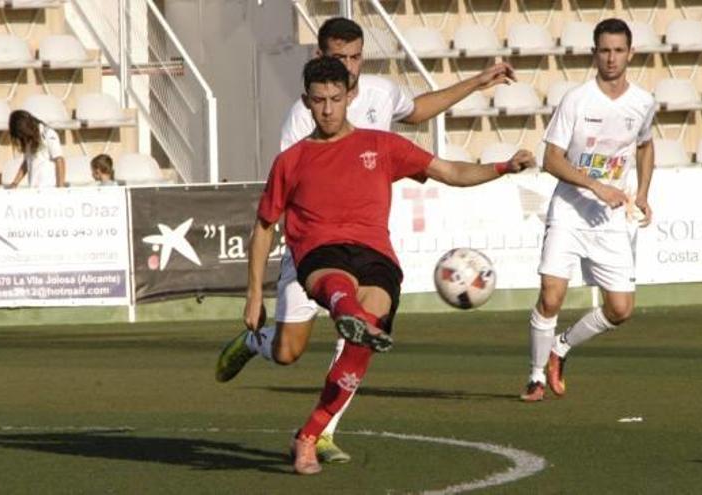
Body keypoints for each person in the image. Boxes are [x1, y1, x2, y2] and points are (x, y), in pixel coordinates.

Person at [216, 16, 517, 464]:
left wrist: (501, 164)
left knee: (362, 330)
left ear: (351, 92)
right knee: (288, 350)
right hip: (312, 246)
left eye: (355, 61)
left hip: (370, 250)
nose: (330, 103)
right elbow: (270, 220)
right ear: (318, 68)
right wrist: (254, 293)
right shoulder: (297, 135)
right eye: (339, 61)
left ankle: (316, 433)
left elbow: (444, 160)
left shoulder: (382, 124)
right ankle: (268, 340)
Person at [520, 18, 656, 402]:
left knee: (620, 309)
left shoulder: (643, 102)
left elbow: (645, 146)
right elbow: (551, 159)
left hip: (612, 217)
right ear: (593, 53)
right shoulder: (576, 100)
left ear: (630, 53)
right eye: (604, 50)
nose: (611, 58)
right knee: (551, 295)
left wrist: (642, 193)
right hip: (570, 210)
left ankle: (560, 349)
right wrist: (596, 186)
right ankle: (534, 377)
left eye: (618, 50)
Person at [6, 110, 66, 188]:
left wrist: (60, 188)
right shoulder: (28, 139)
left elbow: (59, 160)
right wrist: (15, 183)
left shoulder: (48, 134)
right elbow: (26, 163)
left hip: (49, 188)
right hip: (34, 189)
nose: (21, 137)